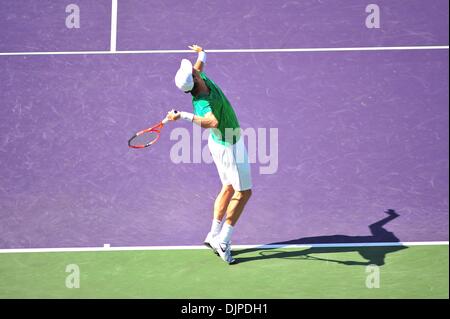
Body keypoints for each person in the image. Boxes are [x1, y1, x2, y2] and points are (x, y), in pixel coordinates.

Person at [167, 44, 252, 264]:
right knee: (244, 193)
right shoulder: (203, 101)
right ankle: (224, 240)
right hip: (229, 146)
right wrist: (184, 116)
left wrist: (201, 53)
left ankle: (213, 234)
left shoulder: (198, 78)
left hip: (218, 143)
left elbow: (199, 65)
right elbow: (211, 121)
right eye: (193, 71)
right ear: (194, 80)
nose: (195, 69)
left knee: (228, 187)